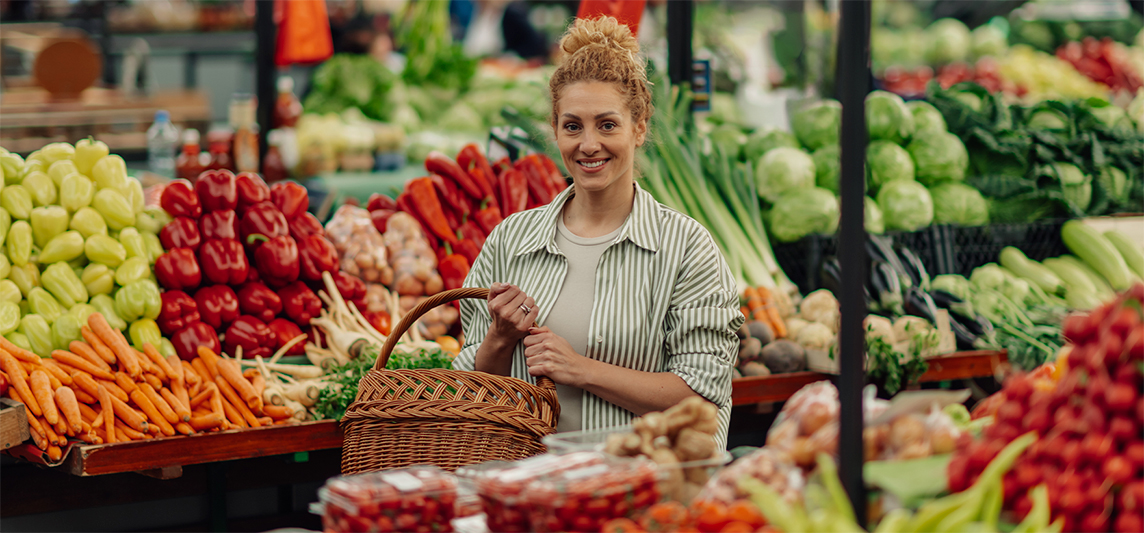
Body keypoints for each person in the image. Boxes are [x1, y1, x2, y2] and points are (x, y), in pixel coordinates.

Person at [454, 16, 743, 448]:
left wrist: (581, 370)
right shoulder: (510, 241)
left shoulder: (686, 249)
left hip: (643, 491)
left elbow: (702, 395)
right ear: (554, 130)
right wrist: (498, 339)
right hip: (534, 490)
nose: (589, 144)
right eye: (573, 126)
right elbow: (470, 390)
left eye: (607, 124)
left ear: (639, 127)